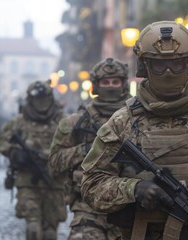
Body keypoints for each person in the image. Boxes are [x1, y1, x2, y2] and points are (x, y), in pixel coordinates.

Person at [80, 21, 188, 239]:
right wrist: (134, 190)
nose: (168, 72)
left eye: (177, 64)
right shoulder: (123, 122)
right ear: (144, 66)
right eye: (158, 64)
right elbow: (92, 184)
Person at [49, 57, 130, 240]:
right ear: (95, 86)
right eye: (105, 82)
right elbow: (54, 163)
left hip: (131, 205)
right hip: (88, 206)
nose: (110, 86)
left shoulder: (139, 120)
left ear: (123, 84)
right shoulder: (75, 122)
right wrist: (85, 149)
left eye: (115, 82)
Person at [0, 80, 67, 240]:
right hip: (27, 181)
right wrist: (15, 153)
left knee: (50, 231)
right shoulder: (19, 122)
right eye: (37, 99)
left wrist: (53, 156)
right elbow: (3, 142)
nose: (40, 103)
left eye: (44, 98)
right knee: (33, 228)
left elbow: (76, 146)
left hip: (54, 181)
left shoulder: (63, 121)